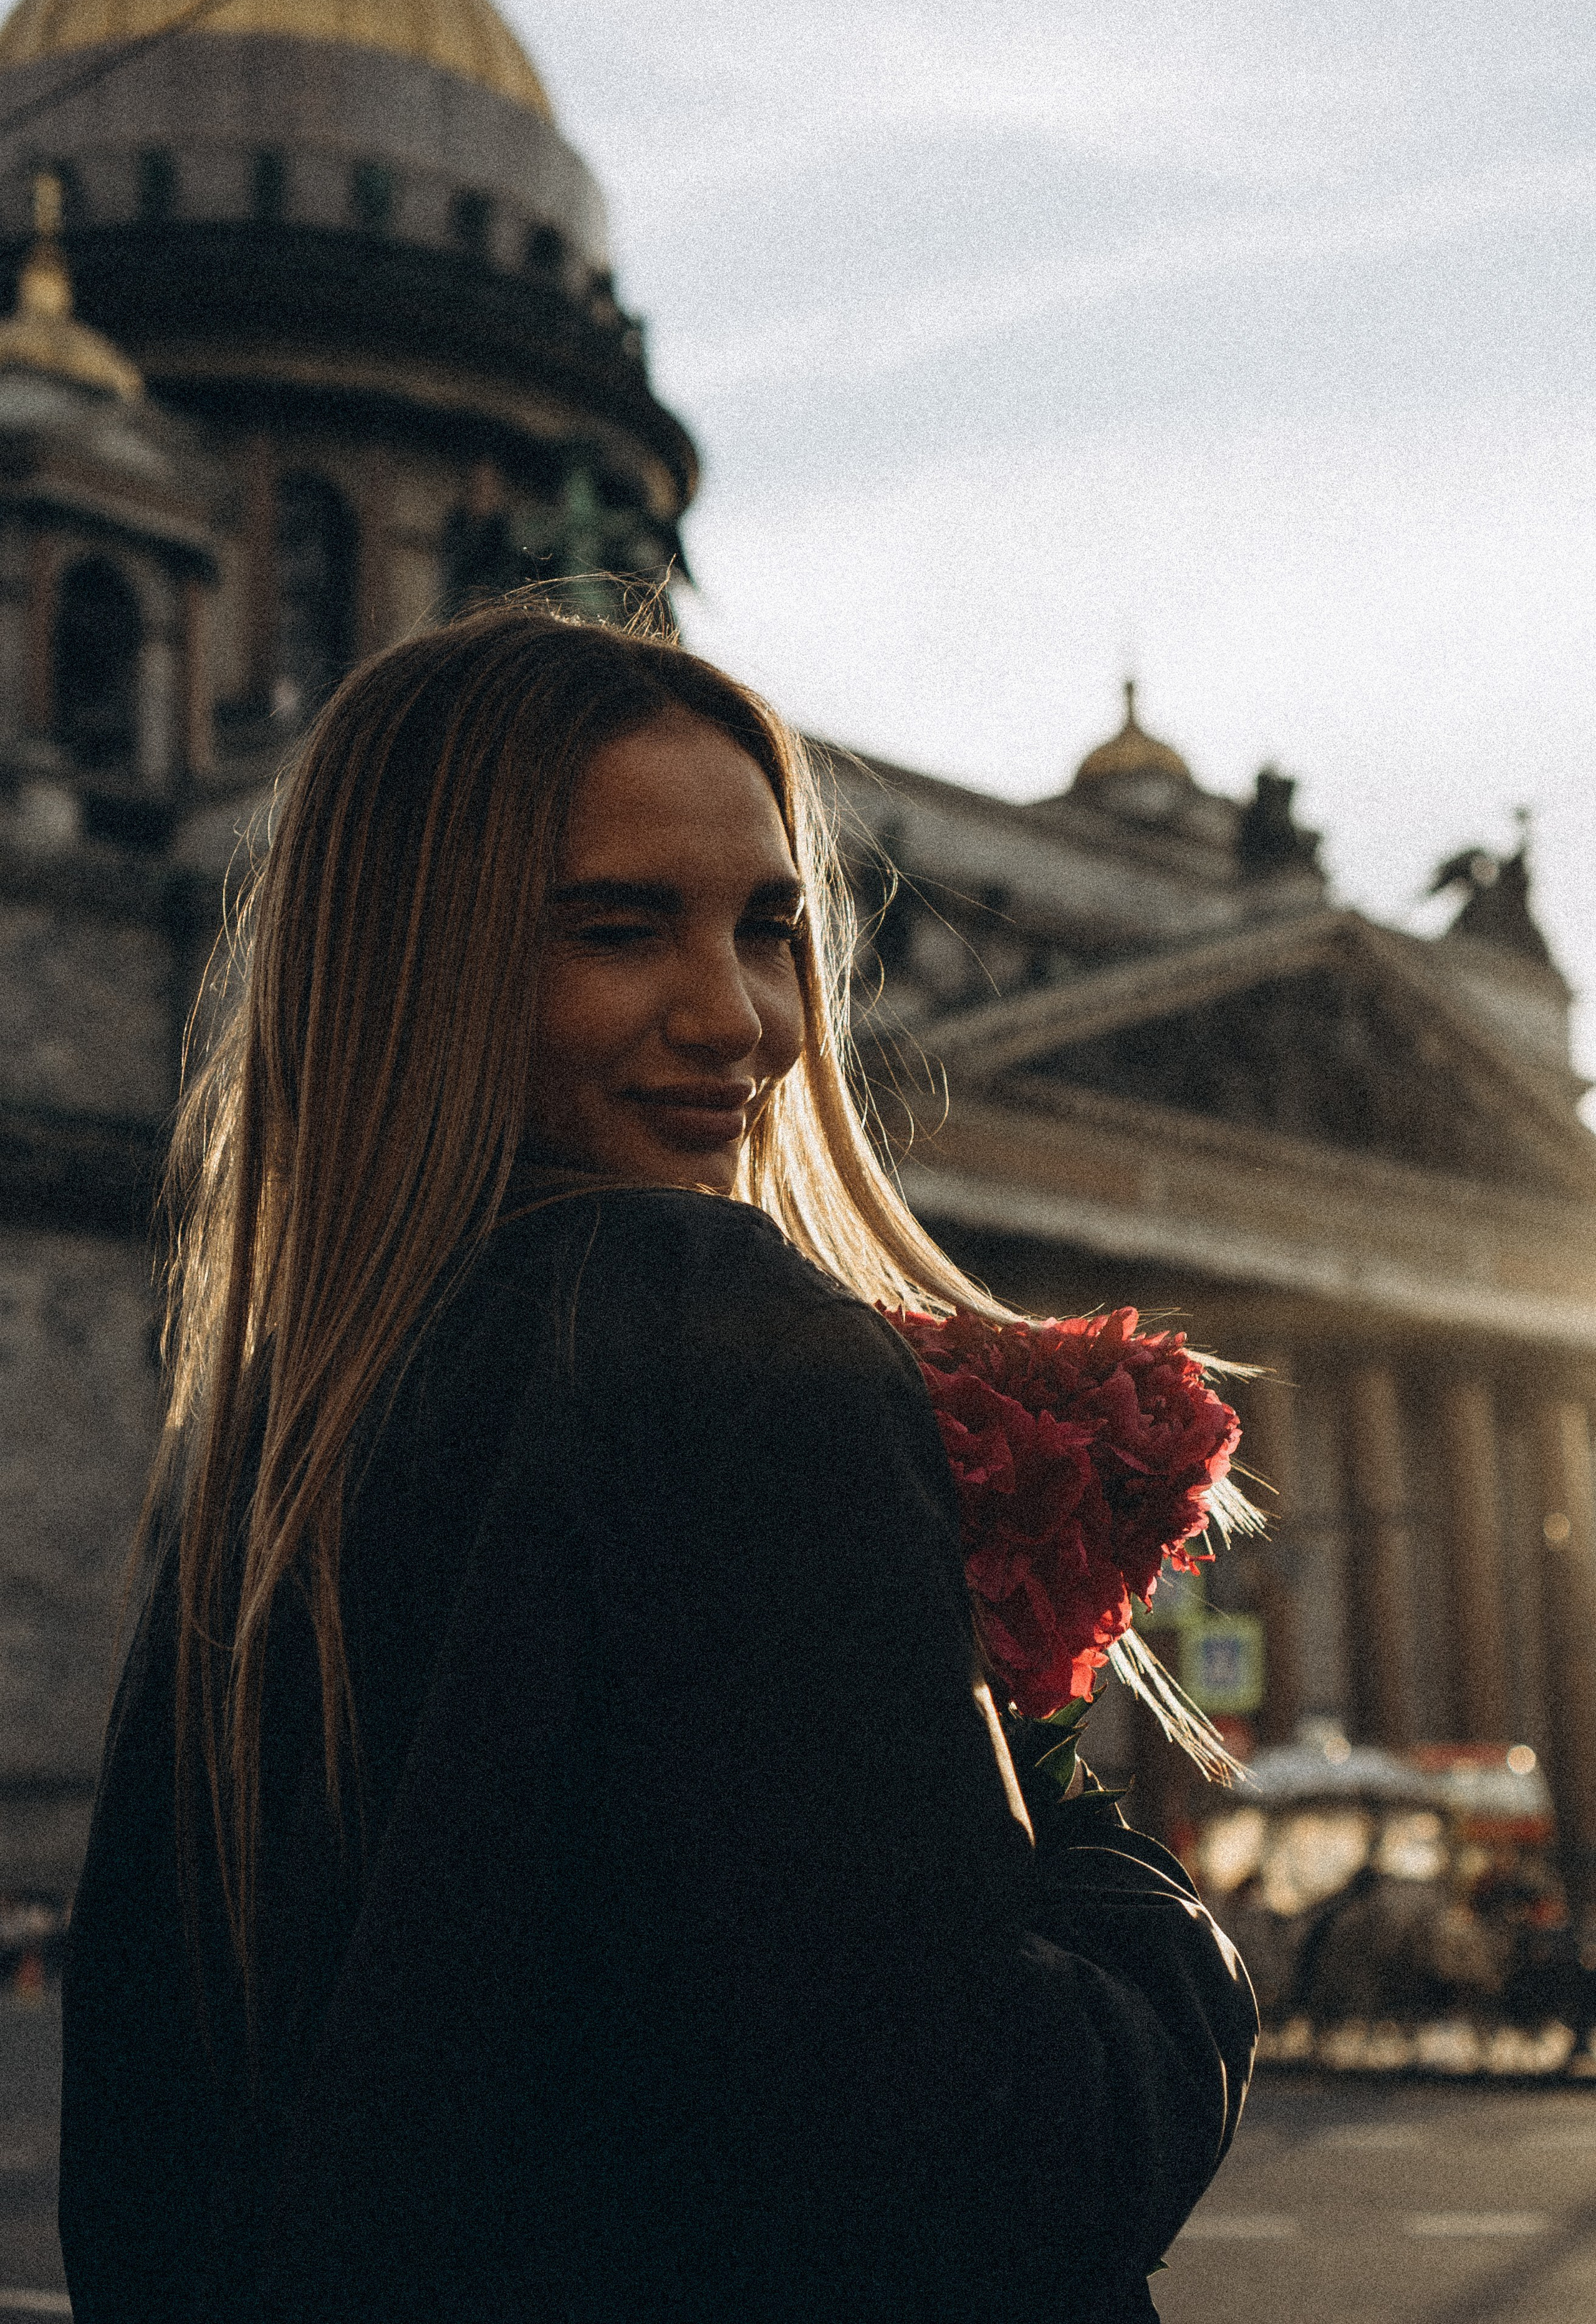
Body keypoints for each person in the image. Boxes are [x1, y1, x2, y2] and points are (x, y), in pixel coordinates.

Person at [59, 604, 1256, 2323]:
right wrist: (1133, 1900)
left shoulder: (280, 1446)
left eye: (772, 930)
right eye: (618, 932)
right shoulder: (689, 1317)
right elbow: (988, 2167)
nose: (742, 1022)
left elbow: (150, 2188)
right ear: (414, 964)